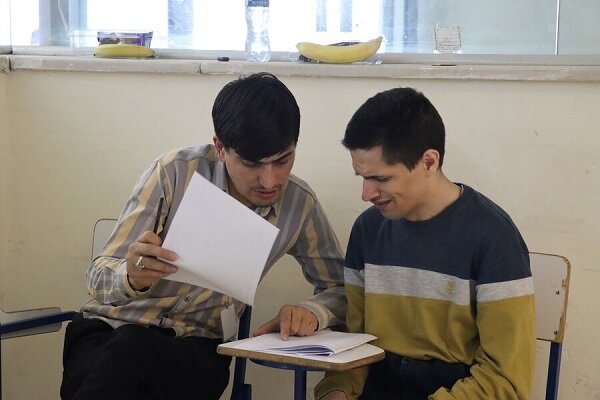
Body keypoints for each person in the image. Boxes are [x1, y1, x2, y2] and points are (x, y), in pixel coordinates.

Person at [61, 72, 346, 400]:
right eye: (252, 164)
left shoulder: (299, 205)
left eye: (283, 160)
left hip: (194, 351)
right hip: (107, 331)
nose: (270, 181)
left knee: (132, 349)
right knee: (126, 348)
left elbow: (343, 288)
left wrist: (312, 311)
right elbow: (97, 277)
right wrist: (130, 277)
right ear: (220, 148)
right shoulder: (174, 173)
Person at [315, 87, 535, 400]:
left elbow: (505, 380)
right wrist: (337, 390)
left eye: (382, 179)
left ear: (429, 162)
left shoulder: (494, 238)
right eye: (362, 177)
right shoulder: (367, 230)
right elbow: (354, 345)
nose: (366, 194)